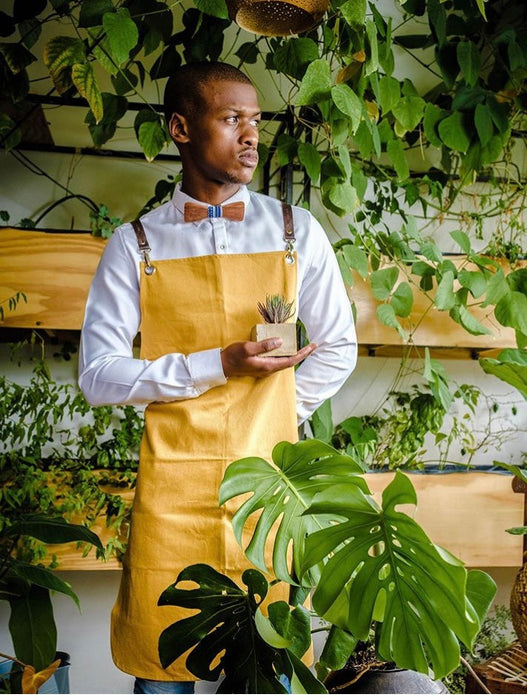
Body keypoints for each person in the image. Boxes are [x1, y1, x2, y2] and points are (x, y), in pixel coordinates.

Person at [79, 61, 357, 694]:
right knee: (164, 668)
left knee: (270, 671)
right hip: (173, 488)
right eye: (232, 120)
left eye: (256, 121)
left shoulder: (294, 233)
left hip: (268, 493)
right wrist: (219, 366)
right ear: (180, 128)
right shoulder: (136, 245)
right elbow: (98, 375)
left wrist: (274, 406)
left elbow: (338, 348)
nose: (251, 136)